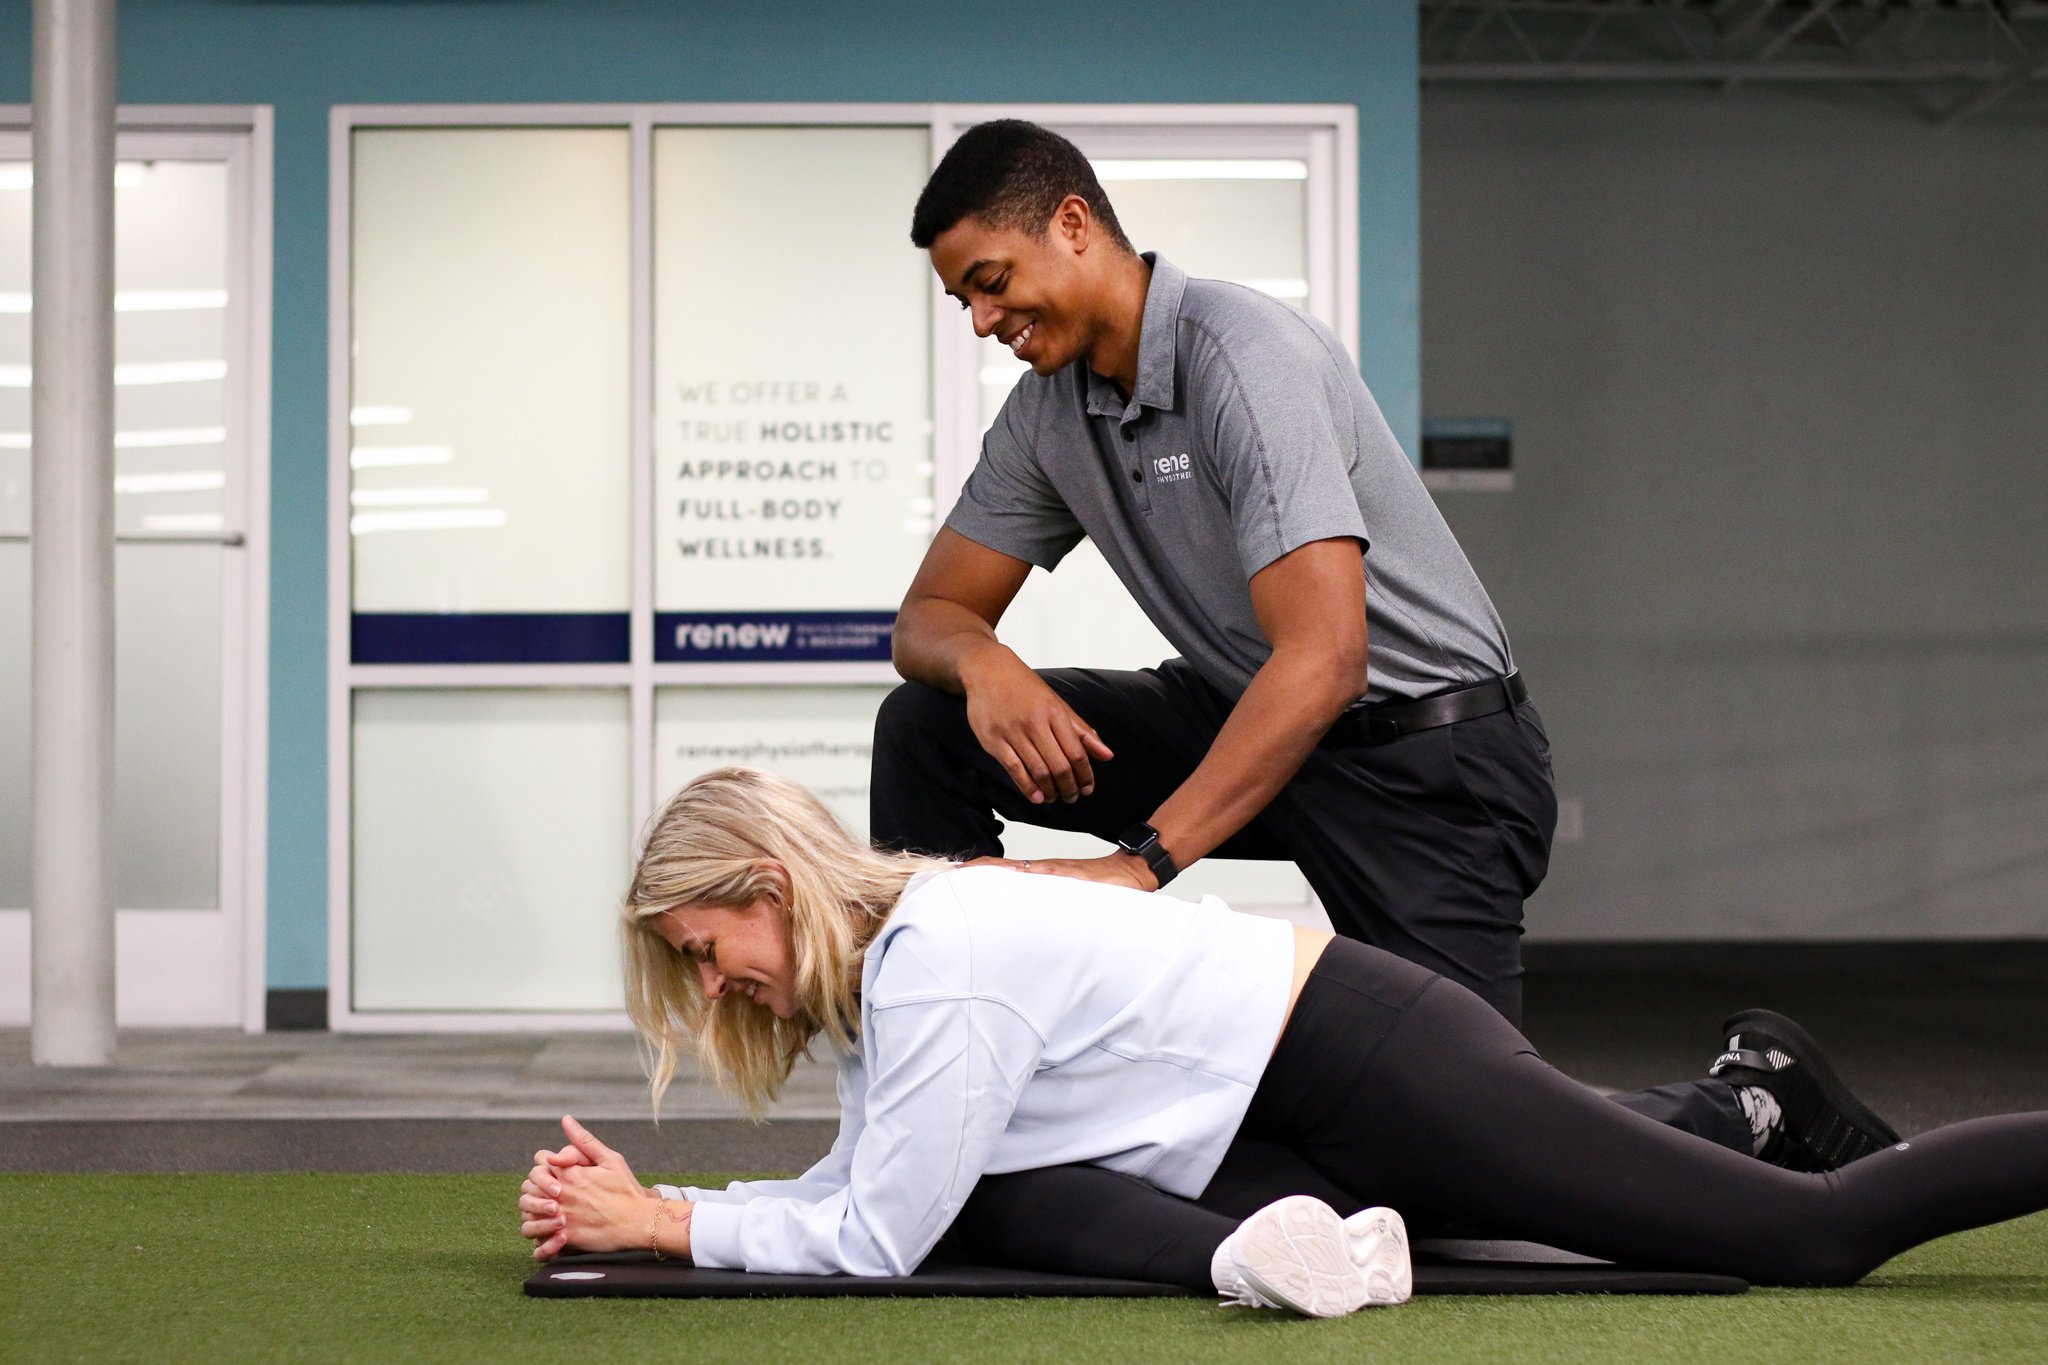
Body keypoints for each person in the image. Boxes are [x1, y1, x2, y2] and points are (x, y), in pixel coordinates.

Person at [872, 119, 1846, 1165]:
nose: (980, 319)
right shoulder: (1045, 417)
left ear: (1071, 225)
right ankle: (958, 1073)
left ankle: (1753, 1104)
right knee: (927, 722)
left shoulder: (1244, 357)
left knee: (1466, 1151)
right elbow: (928, 618)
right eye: (961, 299)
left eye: (989, 280)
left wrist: (1142, 865)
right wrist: (986, 663)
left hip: (1425, 757)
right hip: (1252, 712)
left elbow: (1325, 658)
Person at [515, 768, 2048, 1316]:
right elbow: (873, 1184)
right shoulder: (900, 979)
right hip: (1310, 1111)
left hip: (1373, 1059)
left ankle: (1762, 1111)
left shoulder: (939, 959)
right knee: (1605, 1187)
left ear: (771, 891)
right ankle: (1752, 1090)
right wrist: (672, 1220)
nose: (722, 998)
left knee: (1812, 1245)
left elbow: (879, 1233)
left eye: (712, 961)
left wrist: (665, 1223)